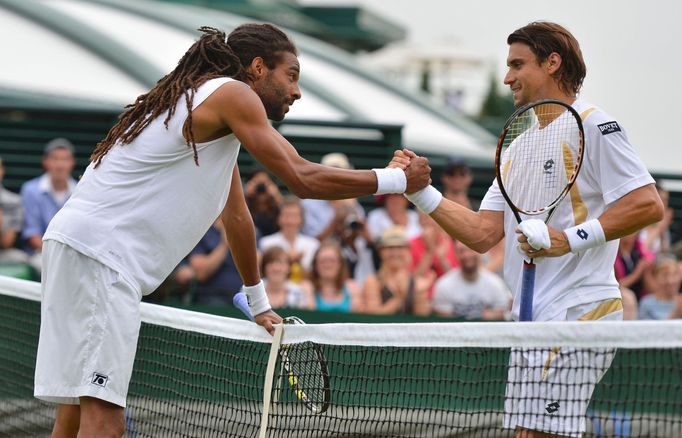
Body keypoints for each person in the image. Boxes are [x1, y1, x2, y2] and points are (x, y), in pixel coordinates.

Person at [34, 24, 431, 438]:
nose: (296, 92)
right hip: (102, 258)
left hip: (72, 248)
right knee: (105, 424)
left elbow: (238, 218)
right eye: (291, 75)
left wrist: (258, 301)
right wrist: (396, 181)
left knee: (73, 416)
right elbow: (301, 178)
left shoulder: (204, 112)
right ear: (258, 68)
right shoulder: (233, 94)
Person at [399, 21, 664, 438]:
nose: (507, 77)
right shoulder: (518, 145)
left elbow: (648, 204)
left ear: (552, 63)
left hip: (580, 310)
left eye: (518, 65)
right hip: (528, 318)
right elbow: (483, 233)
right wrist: (421, 193)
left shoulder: (593, 123)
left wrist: (569, 240)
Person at [20, 138, 77, 272]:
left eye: (64, 159)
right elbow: (32, 233)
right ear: (45, 162)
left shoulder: (80, 191)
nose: (60, 164)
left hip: (74, 256)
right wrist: (57, 256)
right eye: (55, 158)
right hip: (40, 254)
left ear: (72, 162)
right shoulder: (30, 190)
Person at [432, 240, 511, 320]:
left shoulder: (495, 283)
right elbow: (444, 320)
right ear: (455, 254)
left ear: (479, 253)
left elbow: (502, 314)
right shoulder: (444, 285)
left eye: (470, 249)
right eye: (461, 251)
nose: (466, 255)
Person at [363, 226, 433, 316]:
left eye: (400, 247)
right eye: (390, 248)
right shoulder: (373, 281)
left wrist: (420, 294)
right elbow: (372, 317)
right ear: (381, 251)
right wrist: (399, 298)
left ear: (408, 251)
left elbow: (422, 318)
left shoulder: (417, 282)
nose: (395, 252)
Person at [258, 195, 319, 282]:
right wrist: (290, 260)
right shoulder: (266, 243)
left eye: (294, 216)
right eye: (286, 215)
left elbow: (316, 277)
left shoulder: (313, 245)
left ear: (301, 219)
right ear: (278, 219)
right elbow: (262, 274)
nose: (290, 221)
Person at [187, 219, 243, 305]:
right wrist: (225, 243)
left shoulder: (247, 230)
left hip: (243, 296)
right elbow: (200, 273)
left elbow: (256, 270)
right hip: (212, 296)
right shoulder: (203, 232)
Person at [304, 239, 363, 313]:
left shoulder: (352, 288)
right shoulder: (307, 288)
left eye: (332, 260)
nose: (327, 265)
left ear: (340, 264)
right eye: (323, 261)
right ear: (315, 265)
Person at [0, 157, 29, 265]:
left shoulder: (14, 202)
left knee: (22, 259)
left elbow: (7, 243)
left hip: (3, 253)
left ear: (2, 171)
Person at [638, 254, 682, 320]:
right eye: (665, 275)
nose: (670, 281)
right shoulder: (646, 304)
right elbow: (645, 329)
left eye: (674, 274)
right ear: (655, 278)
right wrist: (674, 315)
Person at [244, 170, 282, 239]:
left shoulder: (276, 206)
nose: (261, 187)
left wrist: (276, 196)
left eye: (265, 183)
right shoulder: (245, 201)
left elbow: (286, 217)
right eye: (257, 182)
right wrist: (245, 195)